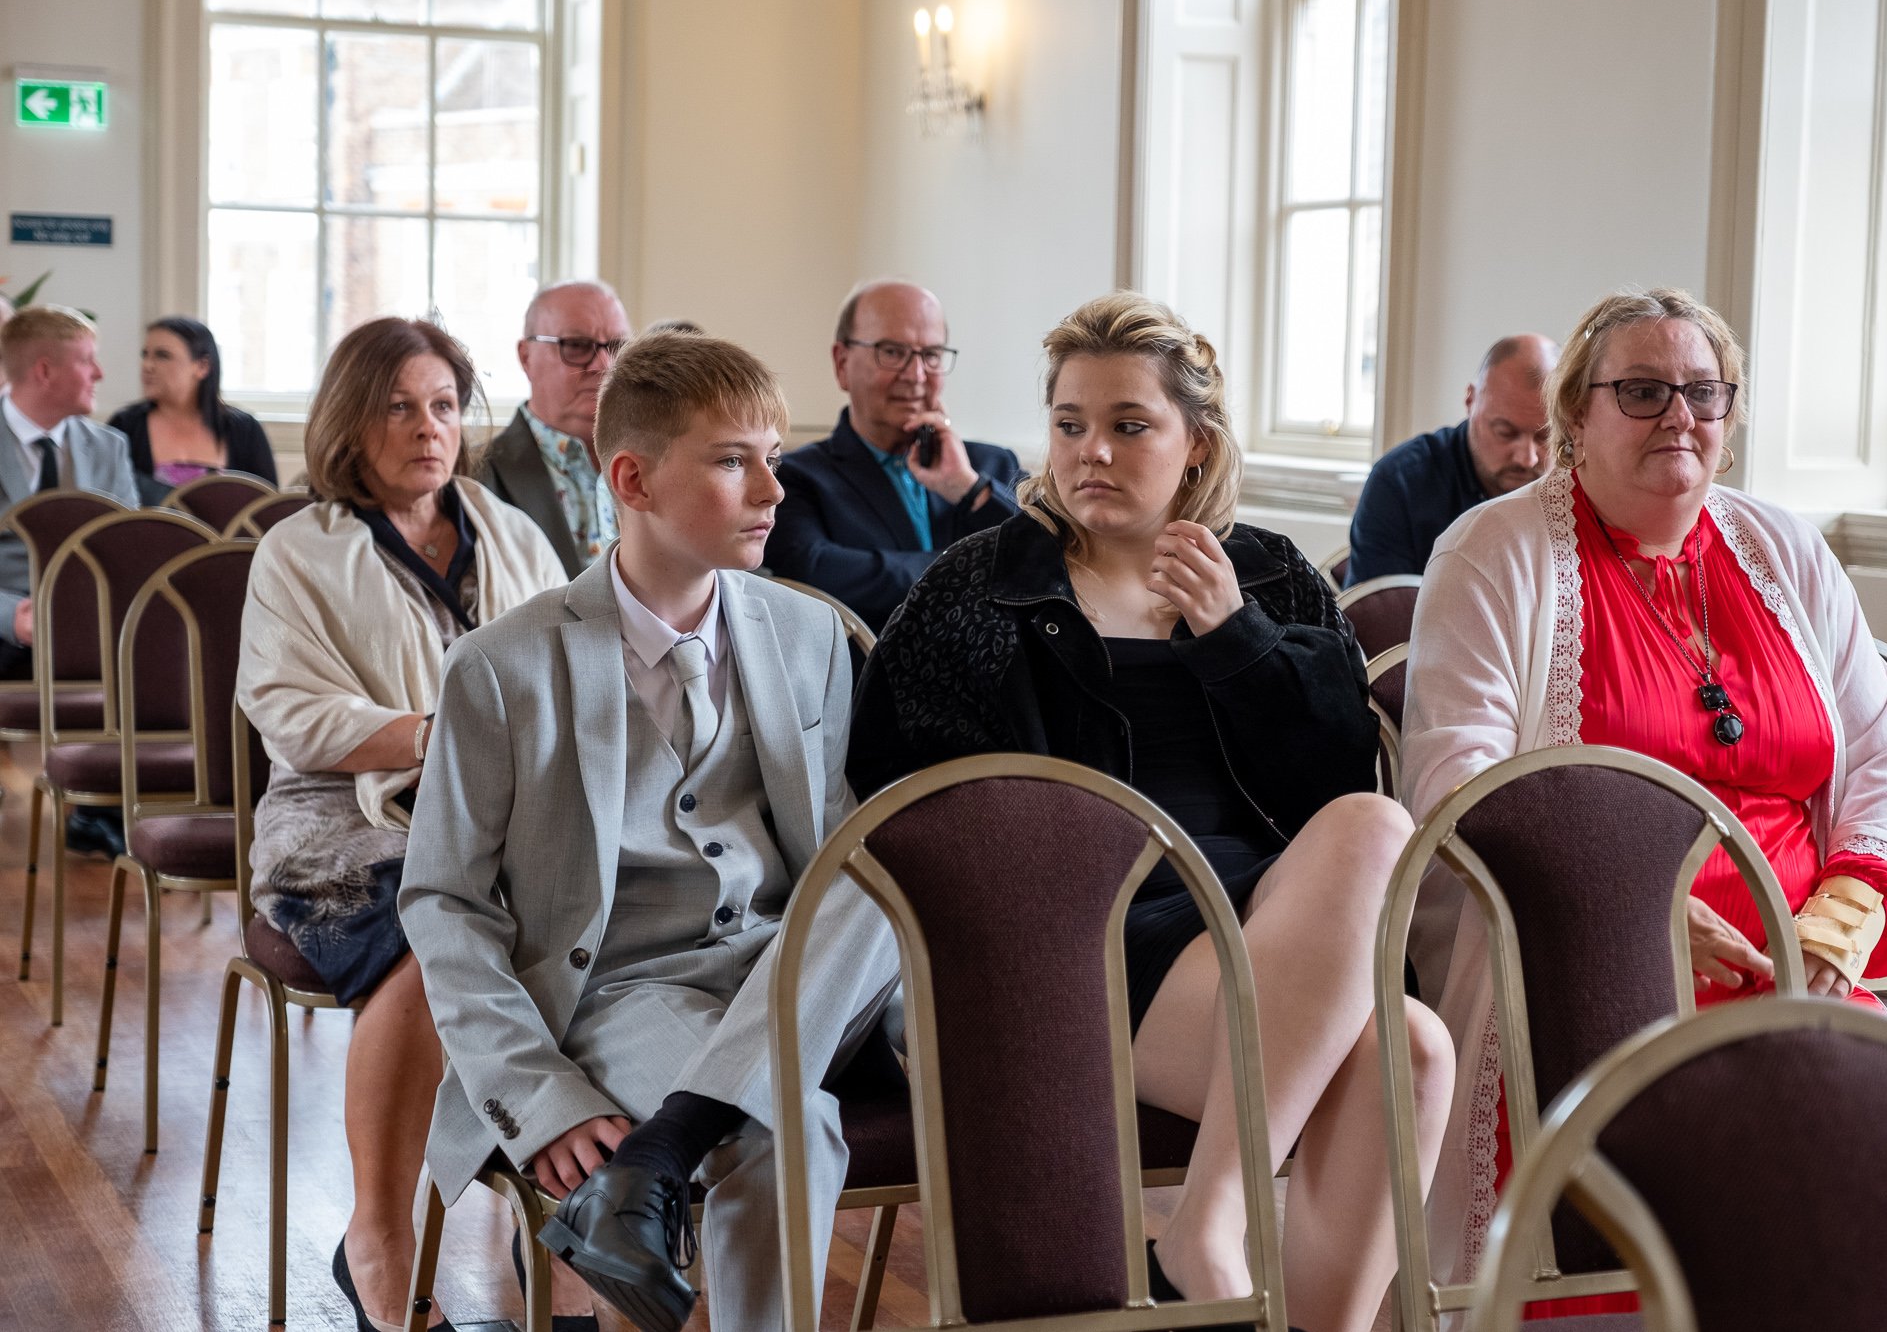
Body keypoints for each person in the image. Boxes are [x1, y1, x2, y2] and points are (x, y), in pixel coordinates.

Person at [850, 292, 1454, 1332]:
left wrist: (1234, 636)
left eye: (1129, 424)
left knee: (1375, 836)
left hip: (1271, 926)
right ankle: (1210, 1229)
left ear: (1195, 442)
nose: (1092, 451)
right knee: (1410, 1051)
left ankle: (1204, 1227)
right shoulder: (979, 587)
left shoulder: (1271, 577)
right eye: (1070, 423)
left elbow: (1335, 784)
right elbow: (902, 801)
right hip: (1075, 939)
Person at [1402, 288, 1887, 1304]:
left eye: (1702, 391)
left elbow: (1886, 754)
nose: (1678, 415)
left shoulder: (1785, 548)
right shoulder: (1490, 552)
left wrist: (1840, 914)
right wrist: (1635, 913)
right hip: (1583, 961)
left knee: (1868, 1146)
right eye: (1641, 391)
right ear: (1575, 414)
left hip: (1794, 959)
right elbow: (1456, 784)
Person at [399, 332, 900, 1332]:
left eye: (774, 455)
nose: (775, 489)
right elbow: (443, 903)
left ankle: (662, 1148)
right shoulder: (501, 667)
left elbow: (841, 859)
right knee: (784, 1124)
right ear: (631, 479)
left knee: (888, 870)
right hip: (627, 990)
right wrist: (538, 1091)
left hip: (801, 970)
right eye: (733, 460)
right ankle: (686, 1138)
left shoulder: (809, 633)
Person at [235, 316, 564, 1331]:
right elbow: (289, 709)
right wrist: (438, 735)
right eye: (398, 406)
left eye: (444, 405)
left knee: (595, 926)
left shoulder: (512, 534)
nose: (428, 427)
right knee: (434, 930)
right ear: (350, 419)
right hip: (338, 810)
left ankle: (560, 1225)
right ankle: (377, 1237)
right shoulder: (299, 549)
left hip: (503, 807)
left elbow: (570, 674)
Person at [764, 278, 1024, 631]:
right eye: (892, 352)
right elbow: (812, 571)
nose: (916, 375)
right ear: (842, 363)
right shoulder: (794, 478)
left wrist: (968, 489)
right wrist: (979, 566)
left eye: (931, 355)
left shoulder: (992, 467)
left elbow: (1049, 559)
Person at [0, 306, 140, 856]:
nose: (100, 373)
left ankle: (101, 810)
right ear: (43, 370)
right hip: (5, 621)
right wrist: (10, 615)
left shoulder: (108, 447)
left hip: (89, 624)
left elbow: (126, 552)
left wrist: (88, 613)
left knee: (156, 651)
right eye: (87, 360)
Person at [1346, 333, 1560, 584]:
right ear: (1470, 401)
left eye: (1545, 436)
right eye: (1505, 432)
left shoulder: (1579, 484)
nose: (1527, 458)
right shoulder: (1399, 482)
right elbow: (1380, 606)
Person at [478, 280, 634, 576]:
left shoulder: (660, 465)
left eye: (617, 347)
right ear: (526, 356)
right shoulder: (475, 478)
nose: (604, 365)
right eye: (576, 346)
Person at [106, 315, 278, 504]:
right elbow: (108, 506)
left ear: (202, 366)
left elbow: (267, 509)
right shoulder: (125, 426)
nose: (147, 366)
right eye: (145, 355)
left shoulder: (245, 430)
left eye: (162, 355)